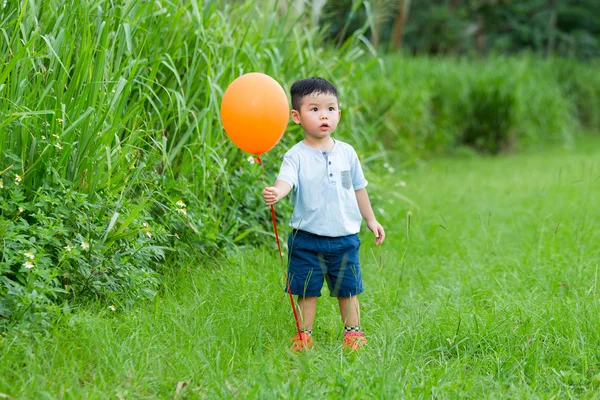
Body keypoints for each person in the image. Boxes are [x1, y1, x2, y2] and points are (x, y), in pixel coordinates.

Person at [262, 77, 385, 351]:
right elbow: (287, 181)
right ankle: (304, 335)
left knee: (348, 288)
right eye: (314, 109)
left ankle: (353, 333)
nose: (324, 116)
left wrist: (371, 219)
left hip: (344, 237)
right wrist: (277, 192)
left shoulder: (347, 153)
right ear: (297, 116)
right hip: (307, 238)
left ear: (339, 114)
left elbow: (358, 189)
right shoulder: (296, 156)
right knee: (306, 290)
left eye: (330, 109)